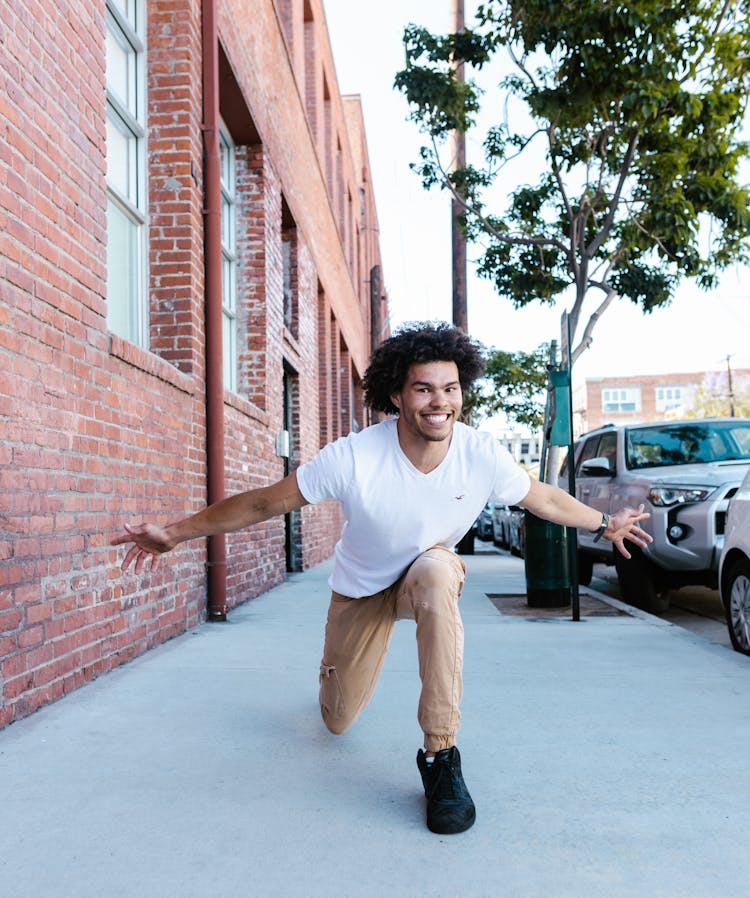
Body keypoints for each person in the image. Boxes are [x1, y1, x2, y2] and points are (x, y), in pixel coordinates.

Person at [114, 322, 652, 836]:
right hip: (361, 589)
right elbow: (264, 501)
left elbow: (540, 496)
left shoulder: (480, 453)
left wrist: (605, 524)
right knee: (338, 720)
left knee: (439, 572)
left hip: (425, 575)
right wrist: (177, 532)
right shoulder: (353, 456)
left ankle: (441, 757)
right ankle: (332, 680)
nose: (439, 401)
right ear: (397, 395)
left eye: (450, 388)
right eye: (423, 389)